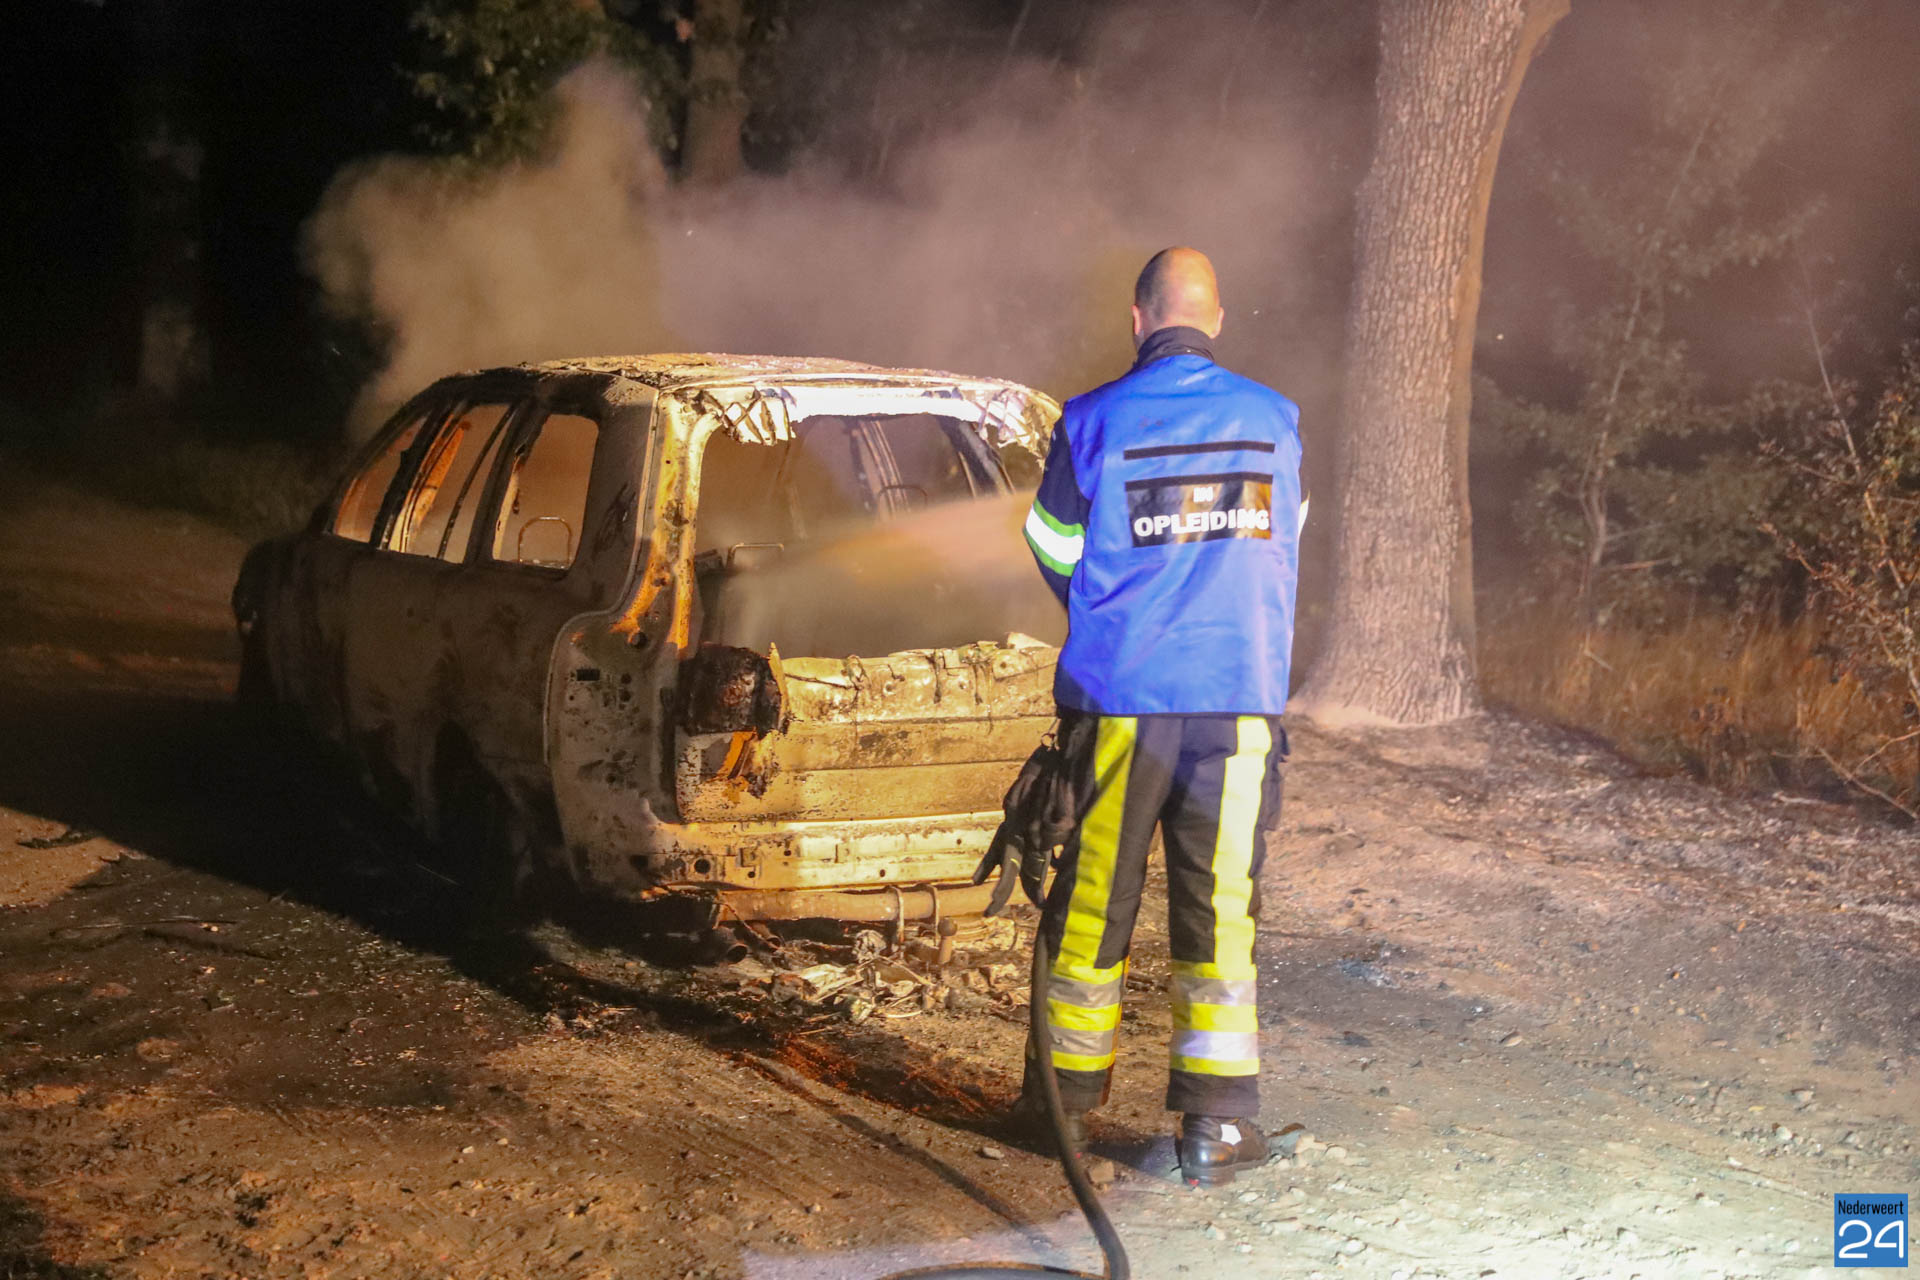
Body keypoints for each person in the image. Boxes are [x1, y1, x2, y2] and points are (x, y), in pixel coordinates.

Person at [1018, 247, 1302, 1189]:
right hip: (1237, 701)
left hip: (1122, 699)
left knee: (1095, 896)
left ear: (1138, 319)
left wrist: (1109, 609)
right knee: (1220, 906)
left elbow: (1051, 542)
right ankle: (1215, 1131)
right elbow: (1280, 546)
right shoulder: (1275, 420)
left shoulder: (1090, 419)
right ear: (1216, 319)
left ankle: (1060, 1108)